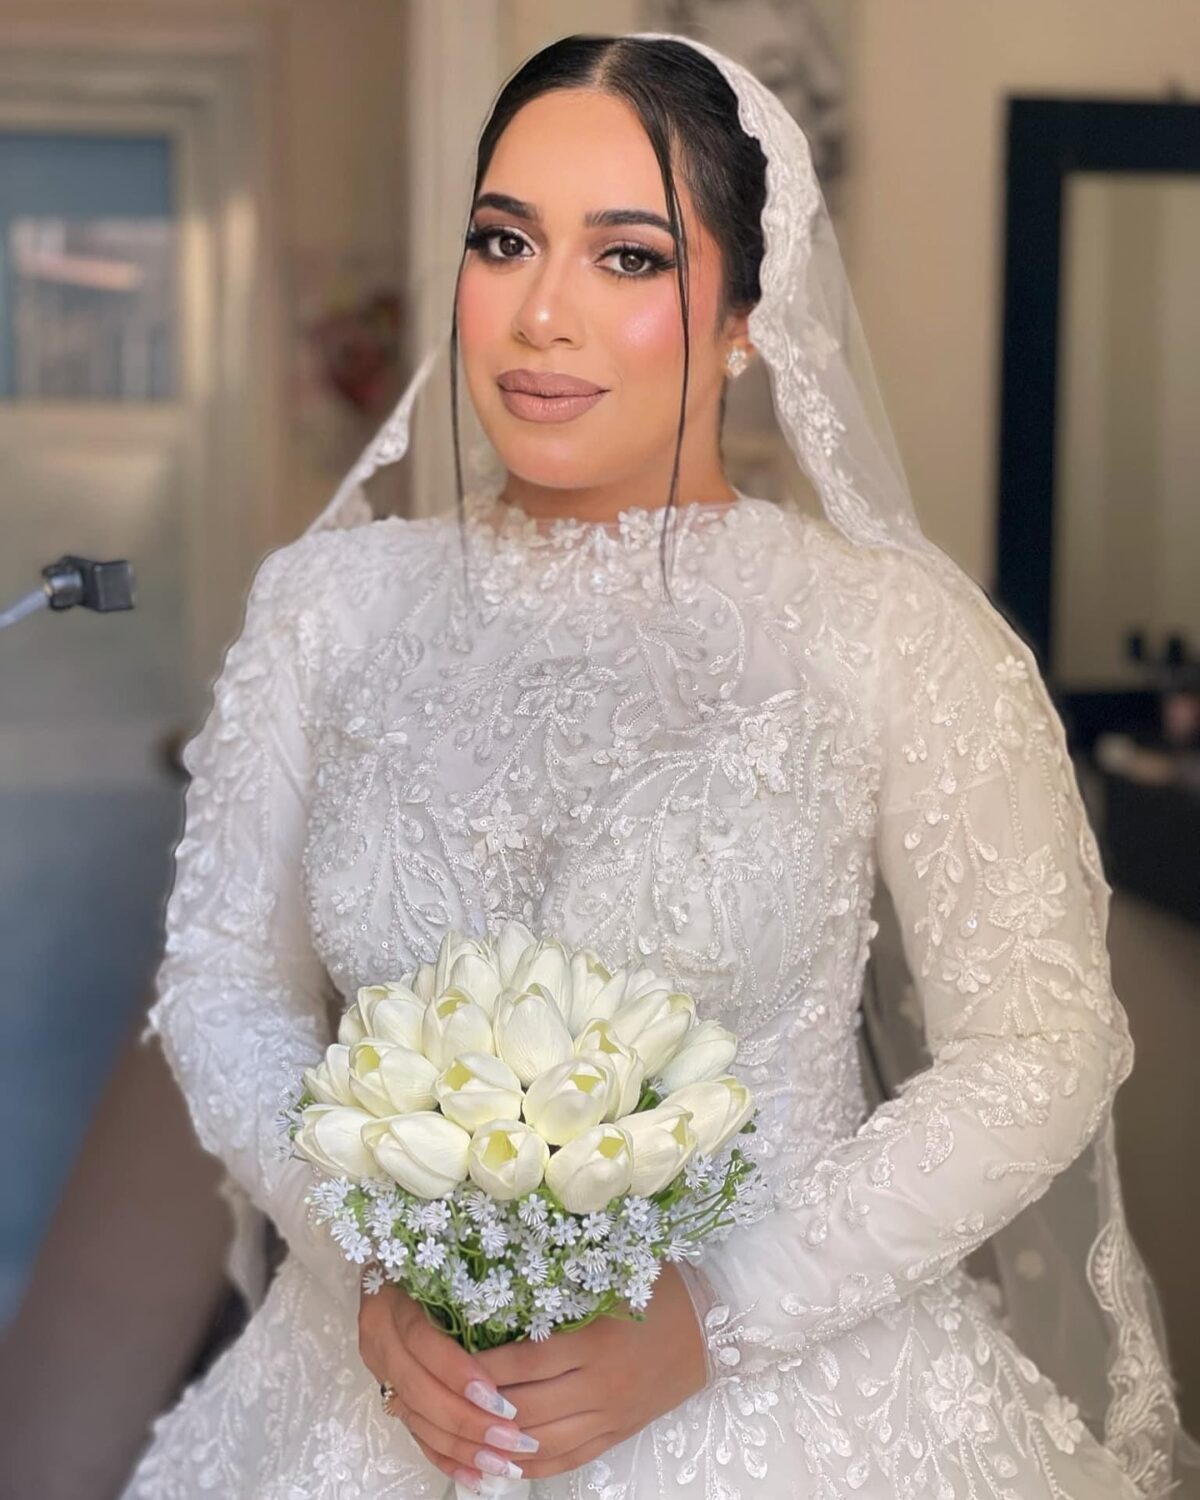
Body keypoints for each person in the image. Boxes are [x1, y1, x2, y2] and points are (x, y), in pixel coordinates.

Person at [120, 32, 1198, 1500]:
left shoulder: (886, 634)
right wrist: (369, 1267)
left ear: (747, 314)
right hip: (383, 1396)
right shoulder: (329, 611)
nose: (540, 314)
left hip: (788, 1408)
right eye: (504, 242)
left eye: (628, 258)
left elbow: (1041, 1045)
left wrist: (719, 1315)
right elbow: (225, 987)